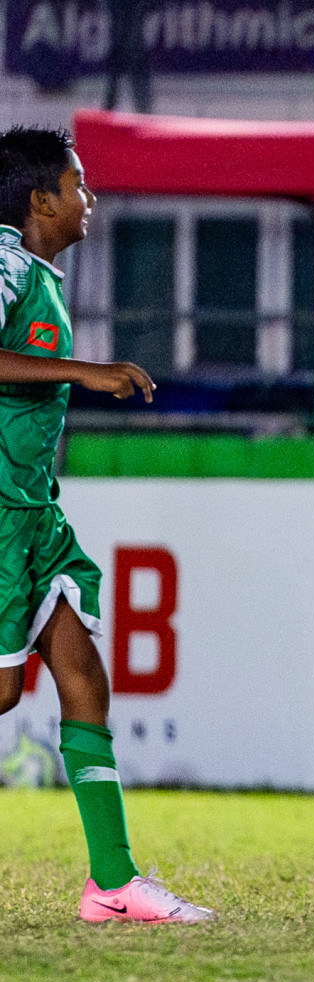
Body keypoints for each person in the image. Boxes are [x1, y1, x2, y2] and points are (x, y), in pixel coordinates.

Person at [0, 126, 213, 923]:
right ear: (40, 200)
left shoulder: (38, 274)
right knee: (5, 691)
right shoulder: (7, 264)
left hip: (32, 510)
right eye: (79, 183)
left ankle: (113, 883)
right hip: (0, 511)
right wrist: (86, 372)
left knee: (83, 676)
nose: (91, 198)